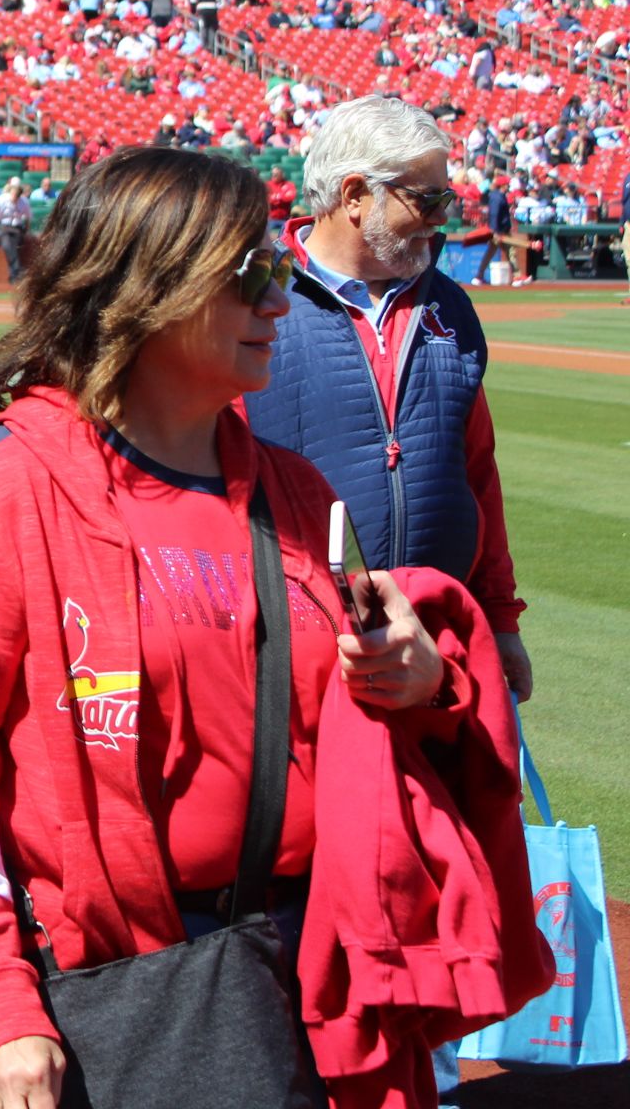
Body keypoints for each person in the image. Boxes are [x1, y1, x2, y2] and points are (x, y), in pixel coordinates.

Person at [0, 146, 531, 1109]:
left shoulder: (301, 496)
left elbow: (372, 733)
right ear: (145, 289)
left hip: (308, 981)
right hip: (108, 995)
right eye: (252, 276)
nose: (282, 301)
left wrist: (425, 682)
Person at [241, 96, 532, 1108]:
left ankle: (428, 1074)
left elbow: (474, 469)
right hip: (295, 651)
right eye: (427, 197)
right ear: (352, 194)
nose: (446, 217)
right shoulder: (257, 297)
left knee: (436, 869)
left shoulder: (451, 304)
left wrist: (497, 618)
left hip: (434, 654)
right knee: (311, 878)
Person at [0, 174, 31, 284]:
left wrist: (26, 230)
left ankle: (14, 275)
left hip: (16, 229)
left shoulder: (24, 201)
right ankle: (17, 272)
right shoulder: (1, 200)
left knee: (13, 245)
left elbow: (27, 218)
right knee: (8, 245)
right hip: (3, 228)